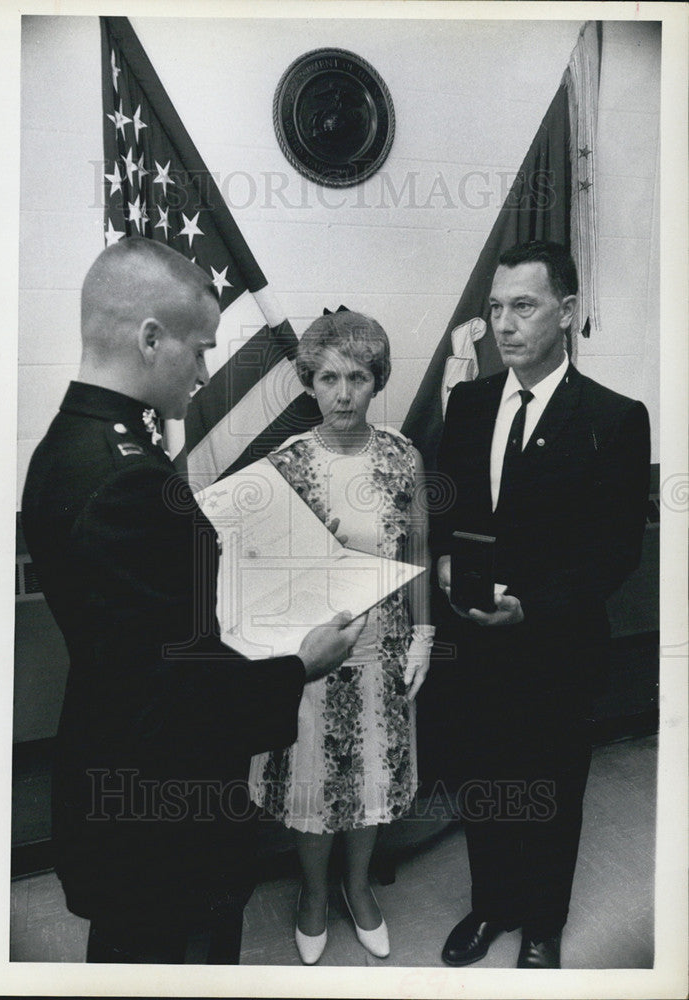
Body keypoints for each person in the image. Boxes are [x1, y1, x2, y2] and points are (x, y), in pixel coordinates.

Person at [20, 237, 365, 965]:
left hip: (116, 765)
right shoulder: (126, 482)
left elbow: (146, 611)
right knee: (176, 955)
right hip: (161, 804)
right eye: (200, 349)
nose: (206, 372)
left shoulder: (70, 446)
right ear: (150, 338)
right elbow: (170, 688)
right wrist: (299, 666)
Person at [428, 241, 650, 969]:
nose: (503, 324)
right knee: (483, 781)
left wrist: (532, 606)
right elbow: (447, 511)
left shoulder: (613, 419)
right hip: (474, 644)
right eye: (494, 308)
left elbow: (614, 551)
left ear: (566, 312)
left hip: (555, 647)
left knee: (550, 789)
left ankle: (543, 925)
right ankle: (491, 905)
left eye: (521, 306)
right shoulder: (467, 404)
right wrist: (445, 559)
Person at [248, 310, 433, 964]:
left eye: (357, 376)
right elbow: (259, 572)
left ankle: (358, 888)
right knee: (316, 782)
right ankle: (315, 893)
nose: (343, 392)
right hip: (315, 654)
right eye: (328, 377)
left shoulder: (399, 454)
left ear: (376, 380)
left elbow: (415, 545)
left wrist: (424, 633)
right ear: (310, 382)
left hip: (383, 651)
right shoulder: (286, 464)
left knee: (371, 778)